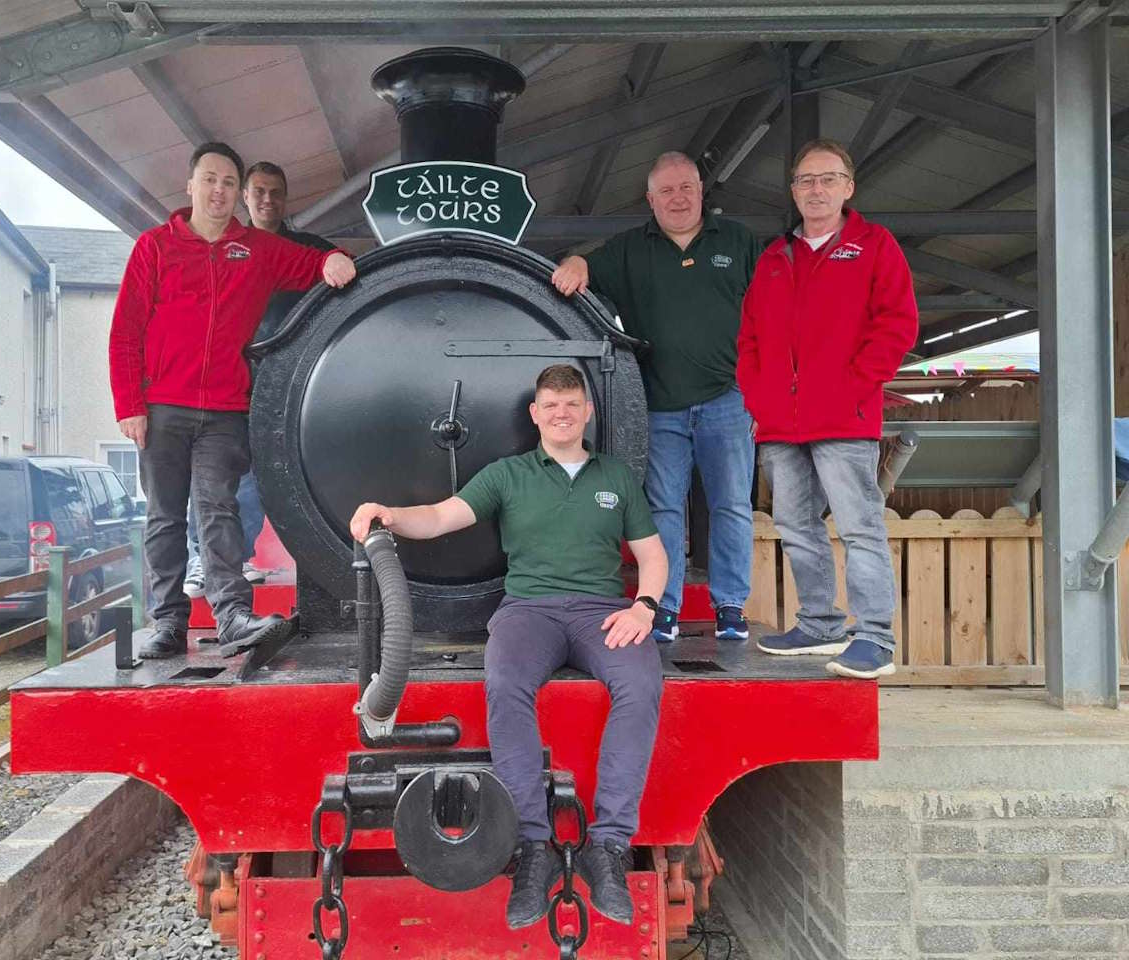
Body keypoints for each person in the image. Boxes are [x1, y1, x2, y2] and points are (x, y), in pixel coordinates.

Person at [349, 364, 668, 930]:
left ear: (587, 411)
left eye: (572, 403)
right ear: (535, 414)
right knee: (504, 682)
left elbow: (651, 554)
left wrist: (644, 606)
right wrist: (390, 515)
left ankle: (611, 846)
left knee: (642, 682)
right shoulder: (508, 475)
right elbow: (443, 516)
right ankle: (533, 847)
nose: (562, 413)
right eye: (551, 404)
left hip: (601, 613)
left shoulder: (615, 476)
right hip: (529, 612)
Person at [109, 142, 356, 658]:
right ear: (191, 186)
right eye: (210, 180)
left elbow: (314, 262)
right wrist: (129, 403)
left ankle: (232, 616)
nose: (218, 190)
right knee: (163, 517)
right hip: (162, 408)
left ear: (235, 194)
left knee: (218, 509)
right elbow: (125, 330)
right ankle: (168, 623)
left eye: (226, 182)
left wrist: (334, 257)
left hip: (224, 407)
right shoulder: (154, 246)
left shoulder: (256, 250)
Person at [551, 151, 762, 644]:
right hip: (658, 404)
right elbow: (584, 265)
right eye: (666, 190)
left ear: (702, 192)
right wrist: (576, 263)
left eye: (686, 187)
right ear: (650, 199)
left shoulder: (738, 242)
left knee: (731, 505)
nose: (678, 197)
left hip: (728, 400)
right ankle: (662, 606)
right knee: (663, 508)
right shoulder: (628, 249)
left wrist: (762, 391)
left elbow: (771, 317)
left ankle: (730, 606)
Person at [736, 138, 917, 679]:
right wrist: (759, 395)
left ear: (848, 186)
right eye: (805, 181)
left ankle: (875, 636)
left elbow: (897, 323)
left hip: (843, 417)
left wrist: (854, 386)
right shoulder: (774, 258)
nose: (816, 189)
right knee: (795, 525)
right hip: (780, 423)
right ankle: (818, 623)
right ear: (793, 191)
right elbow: (748, 338)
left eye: (827, 178)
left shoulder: (874, 245)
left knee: (859, 526)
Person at [182, 161, 337, 598]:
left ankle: (260, 556)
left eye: (276, 192)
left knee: (294, 466)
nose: (268, 200)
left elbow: (343, 269)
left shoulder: (306, 249)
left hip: (296, 379)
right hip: (233, 376)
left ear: (285, 199)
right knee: (230, 468)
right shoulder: (221, 245)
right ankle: (213, 559)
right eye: (260, 192)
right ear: (245, 197)